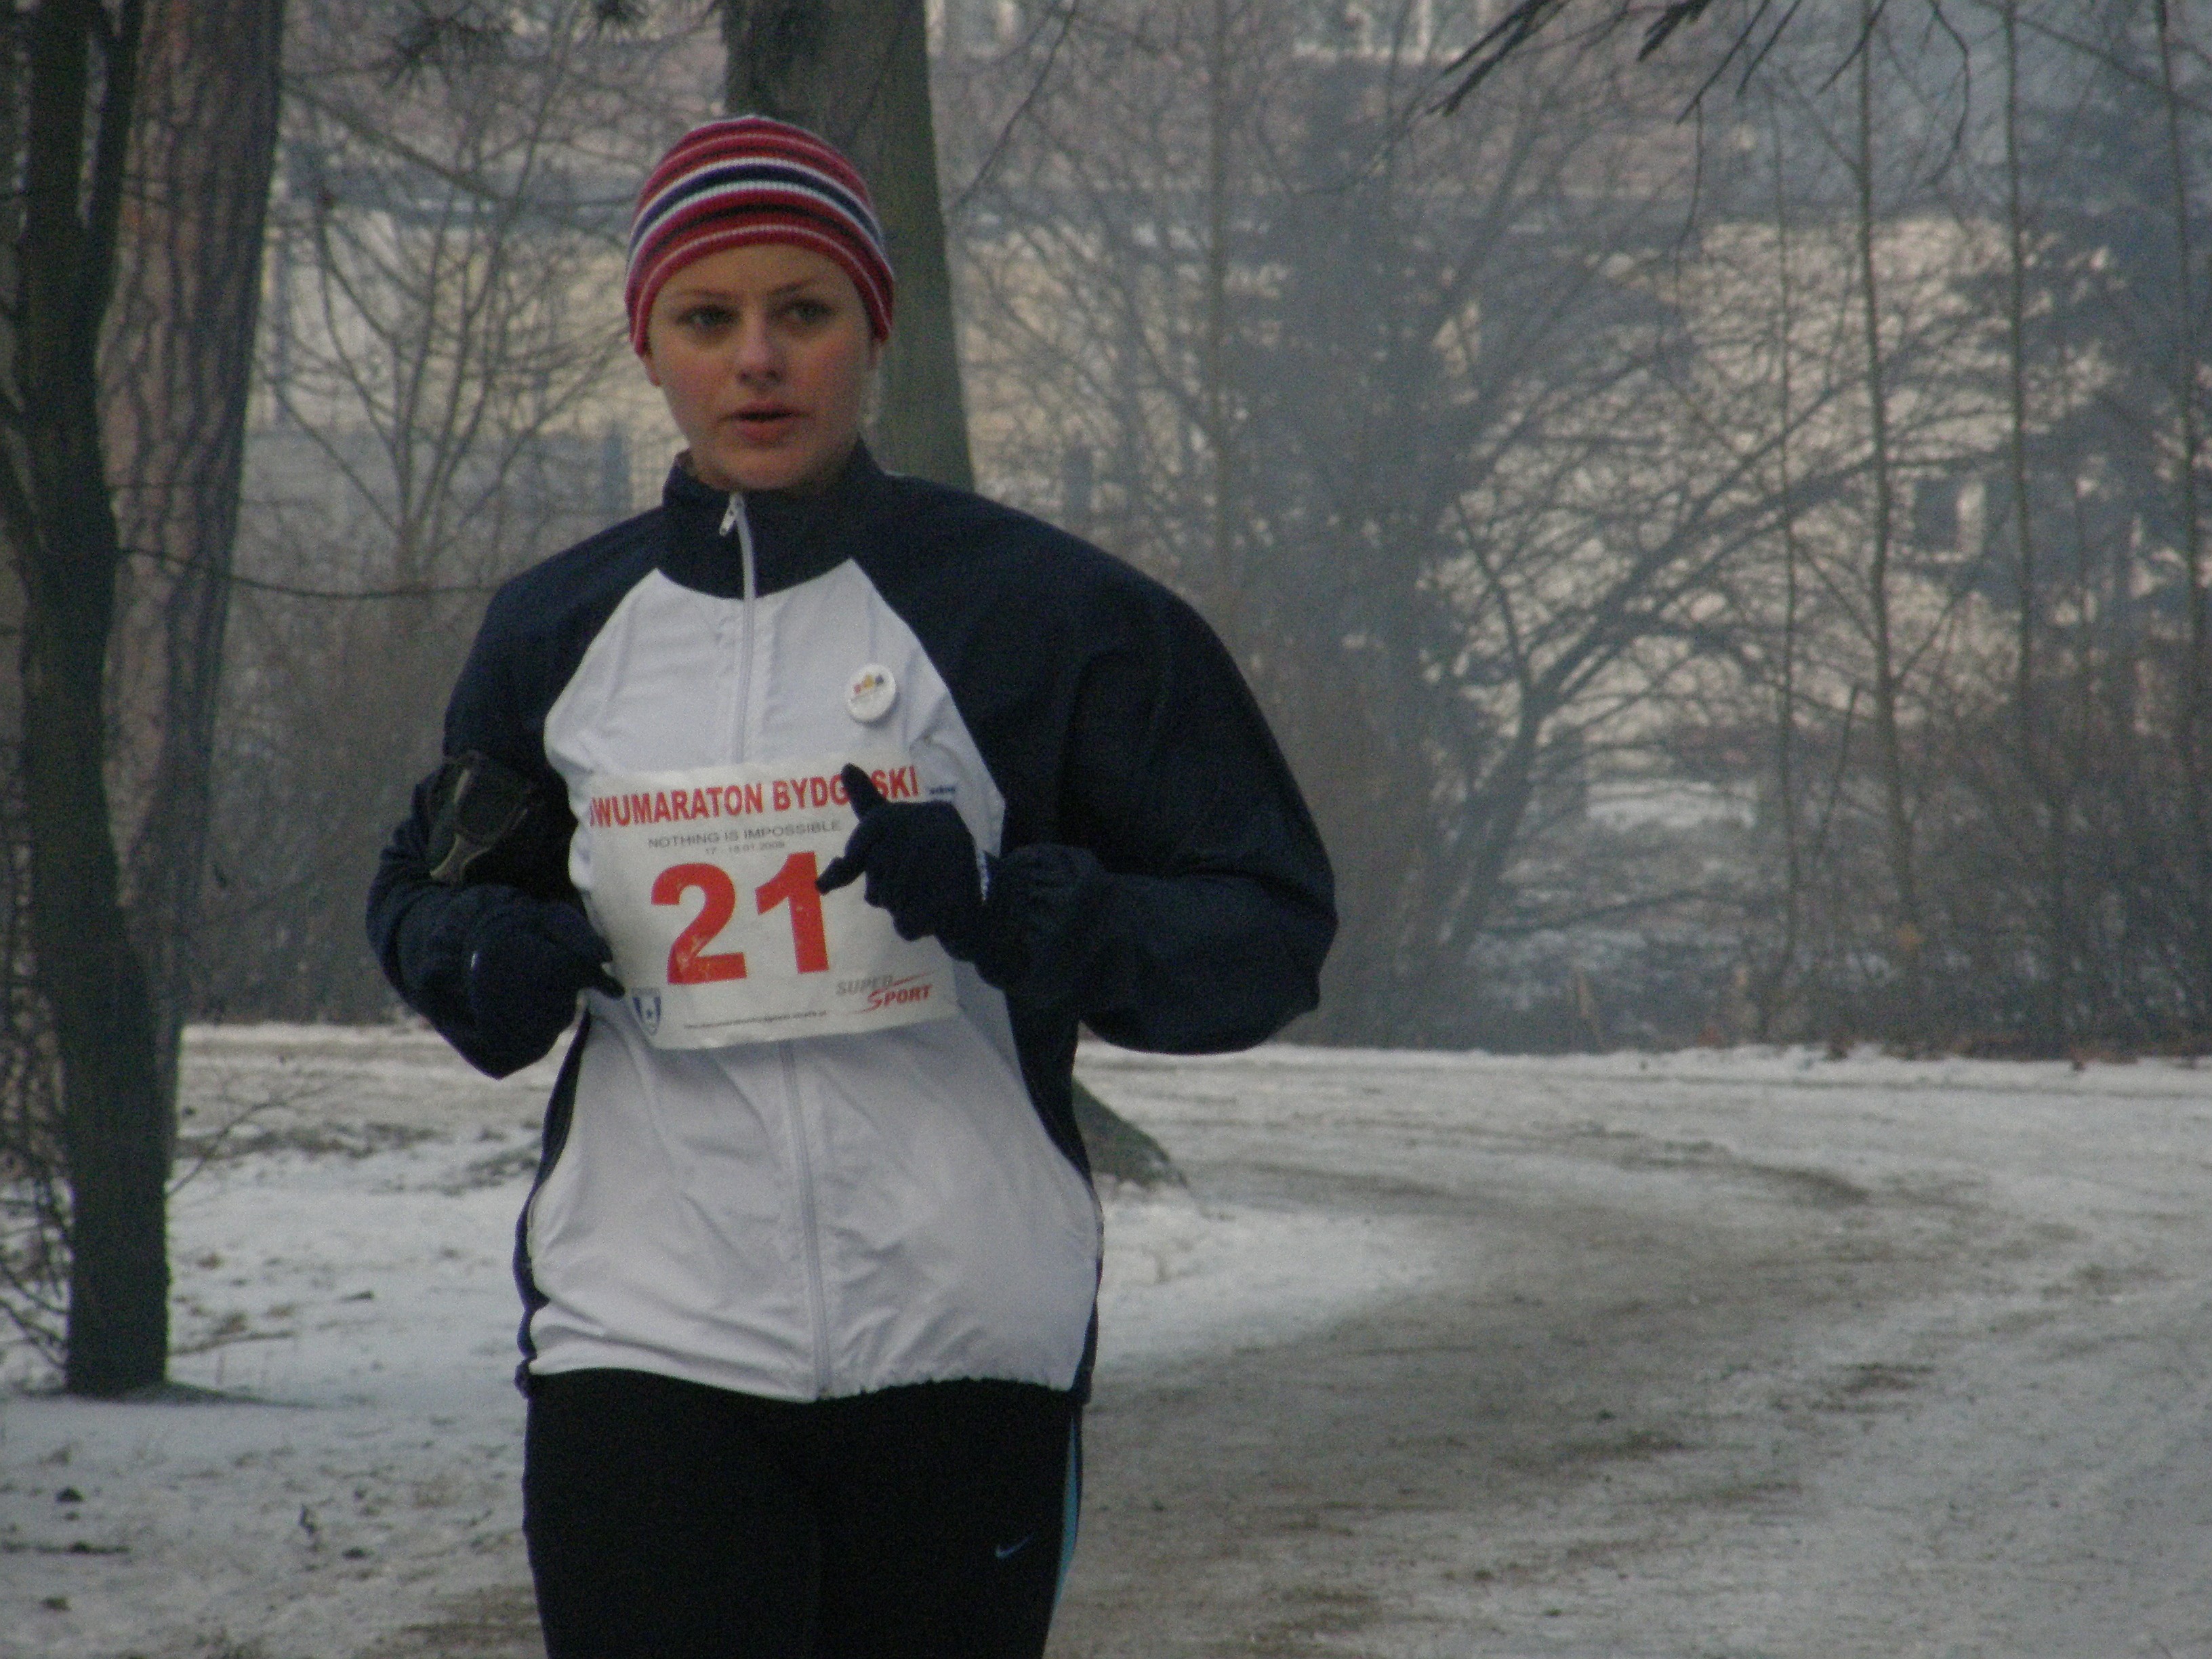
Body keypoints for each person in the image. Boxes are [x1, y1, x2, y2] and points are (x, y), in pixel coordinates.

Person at [367, 115, 1333, 1659]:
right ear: (648, 347)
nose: (758, 360)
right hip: (644, 1335)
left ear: (874, 331)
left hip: (963, 1341)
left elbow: (1268, 932)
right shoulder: (556, 629)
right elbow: (425, 891)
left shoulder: (1050, 616)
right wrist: (482, 953)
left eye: (803, 312)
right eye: (708, 318)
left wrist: (1016, 907)